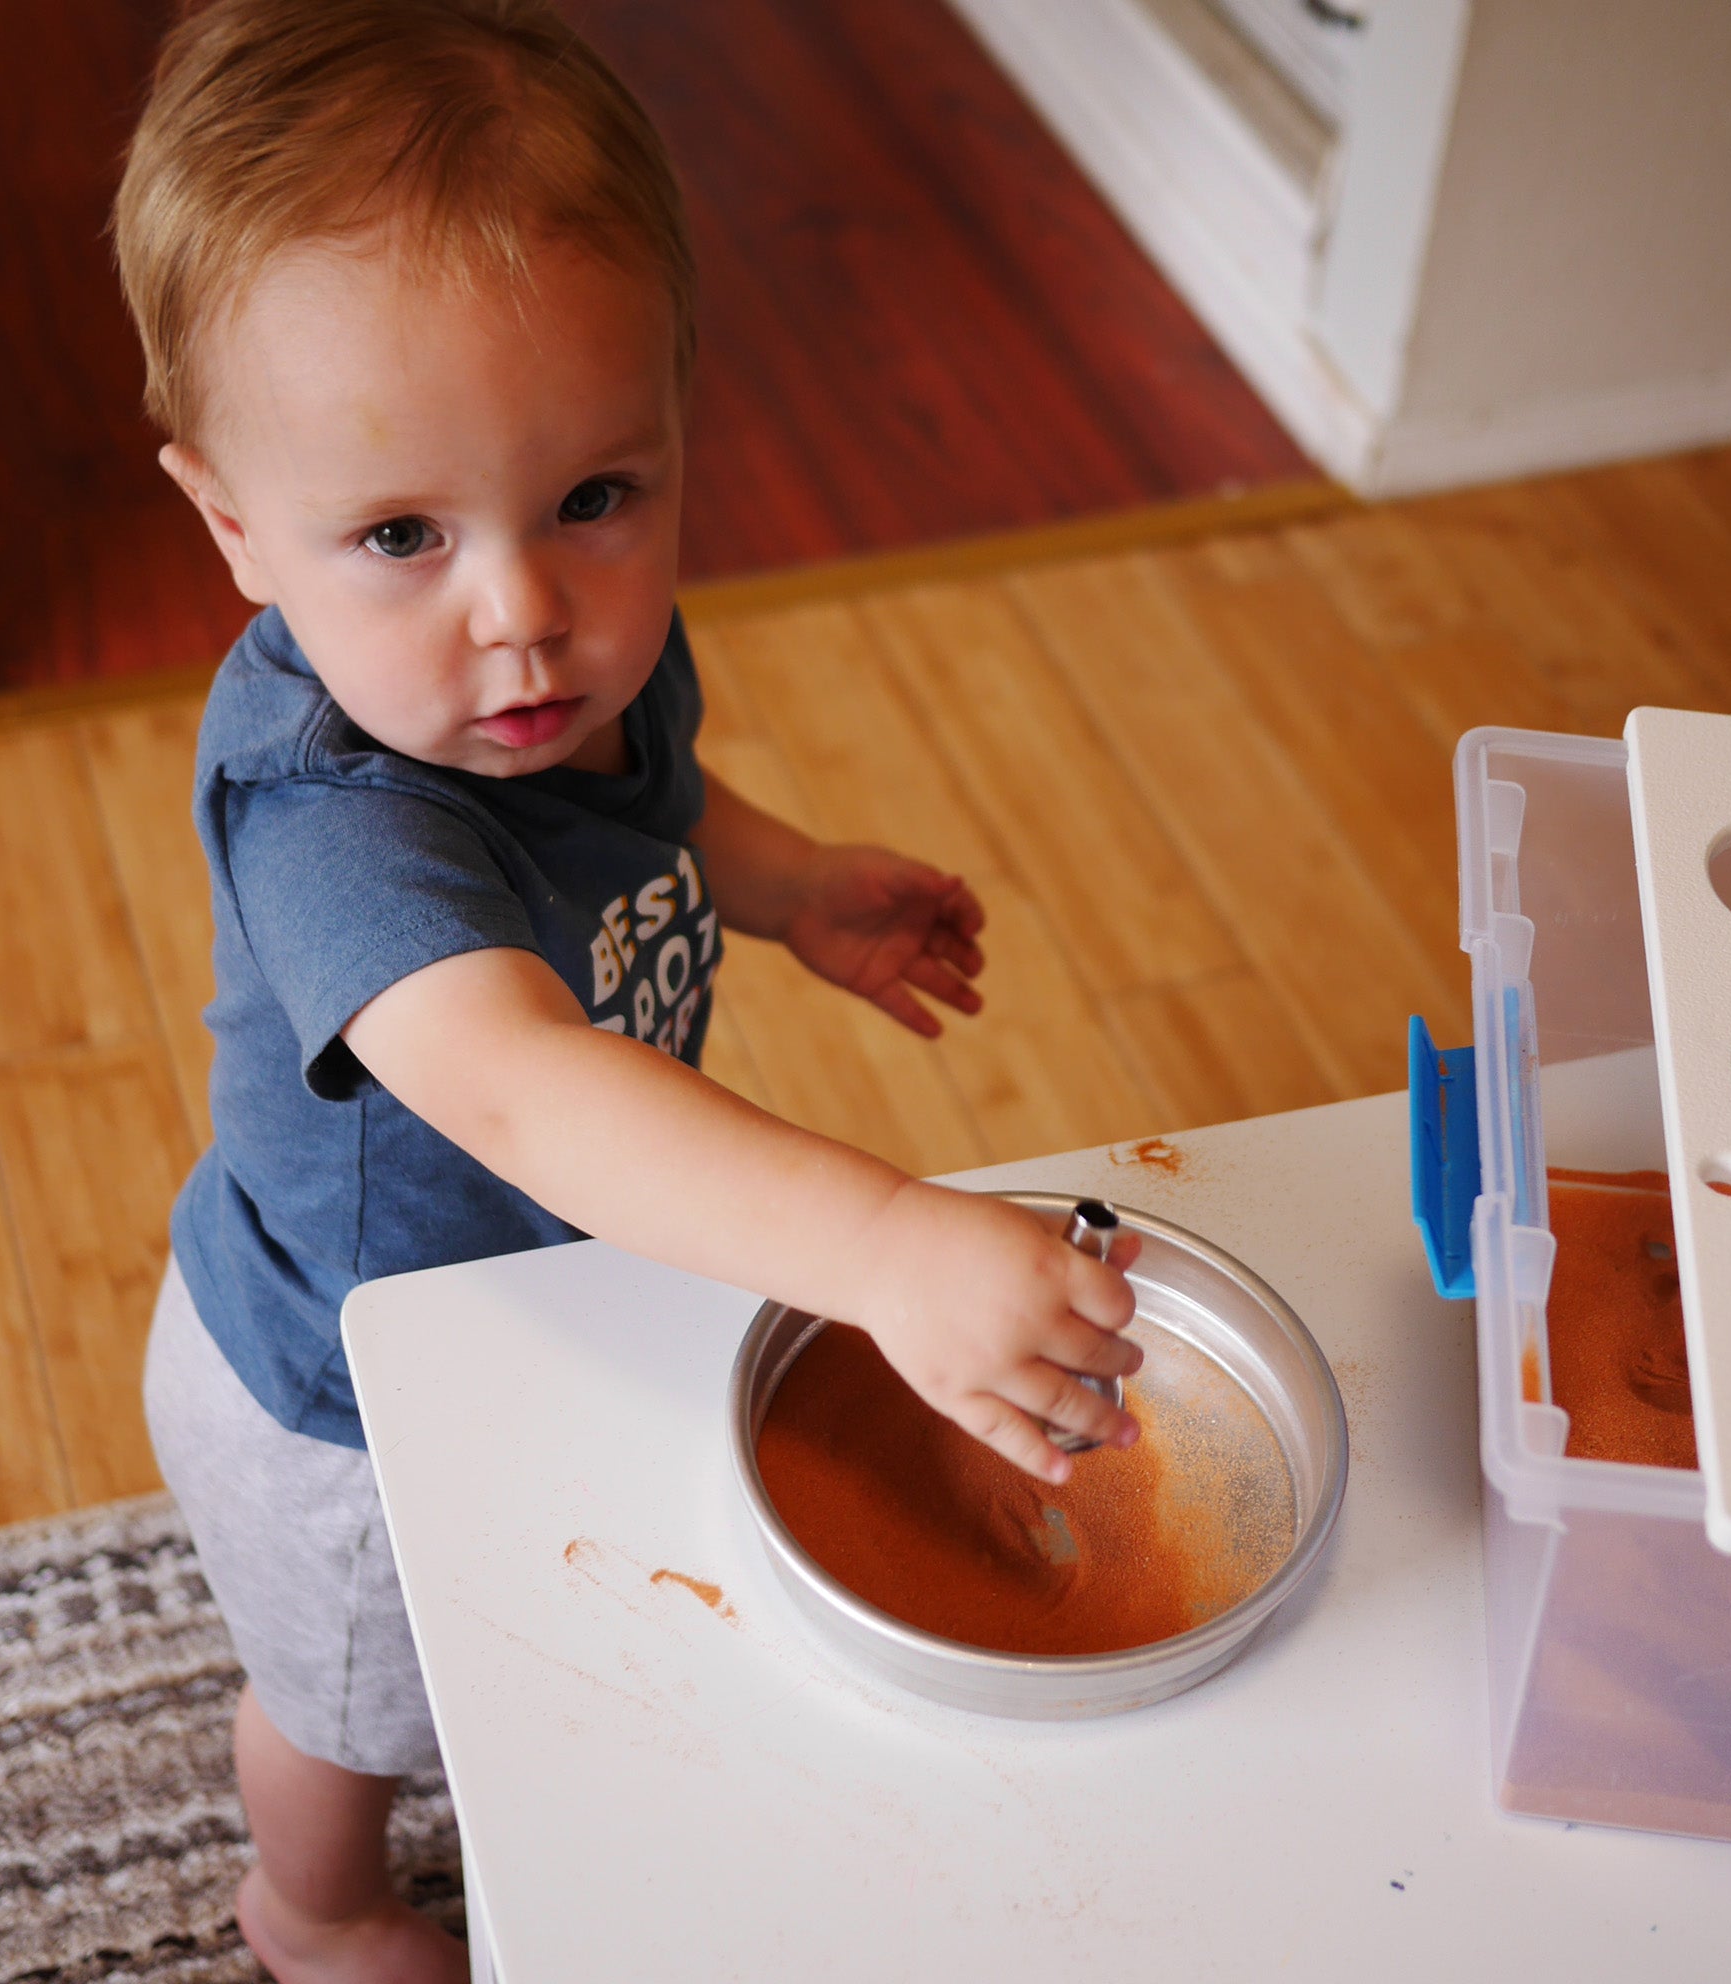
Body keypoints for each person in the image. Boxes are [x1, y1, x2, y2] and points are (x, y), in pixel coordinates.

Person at [114, 3, 1142, 1976]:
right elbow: (522, 1089)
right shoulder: (330, 819)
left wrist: (790, 885)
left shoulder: (579, 665)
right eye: (399, 535)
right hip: (344, 1393)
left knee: (529, 1610)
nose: (522, 612)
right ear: (235, 524)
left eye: (596, 494)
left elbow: (658, 801)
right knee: (353, 1704)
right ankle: (313, 1905)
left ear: (672, 422)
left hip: (532, 1292)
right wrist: (881, 1242)